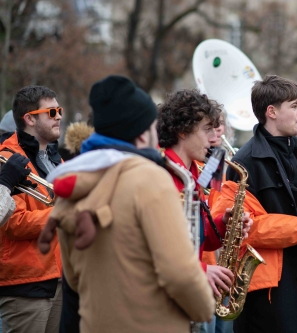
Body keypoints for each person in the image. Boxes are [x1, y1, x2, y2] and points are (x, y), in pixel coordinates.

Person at [41, 75, 215, 333]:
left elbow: (74, 280)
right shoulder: (150, 178)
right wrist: (204, 309)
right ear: (142, 133)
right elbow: (179, 273)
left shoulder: (74, 183)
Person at [210, 75, 297, 333]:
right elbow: (244, 228)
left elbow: (290, 202)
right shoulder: (245, 161)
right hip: (270, 290)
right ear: (271, 112)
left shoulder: (296, 149)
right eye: (295, 106)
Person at [156, 89, 252, 299]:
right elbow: (154, 247)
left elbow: (196, 237)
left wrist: (224, 225)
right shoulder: (159, 173)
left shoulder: (190, 172)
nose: (214, 137)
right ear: (182, 131)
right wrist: (201, 270)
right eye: (207, 129)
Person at [0, 85, 64, 333]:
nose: (59, 116)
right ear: (29, 118)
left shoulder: (55, 157)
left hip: (58, 279)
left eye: (59, 110)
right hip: (25, 285)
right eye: (52, 112)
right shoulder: (8, 159)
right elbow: (13, 223)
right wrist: (62, 214)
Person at [201, 110, 236, 333]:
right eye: (209, 126)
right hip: (204, 256)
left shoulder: (227, 161)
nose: (216, 130)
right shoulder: (205, 162)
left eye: (220, 125)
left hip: (224, 253)